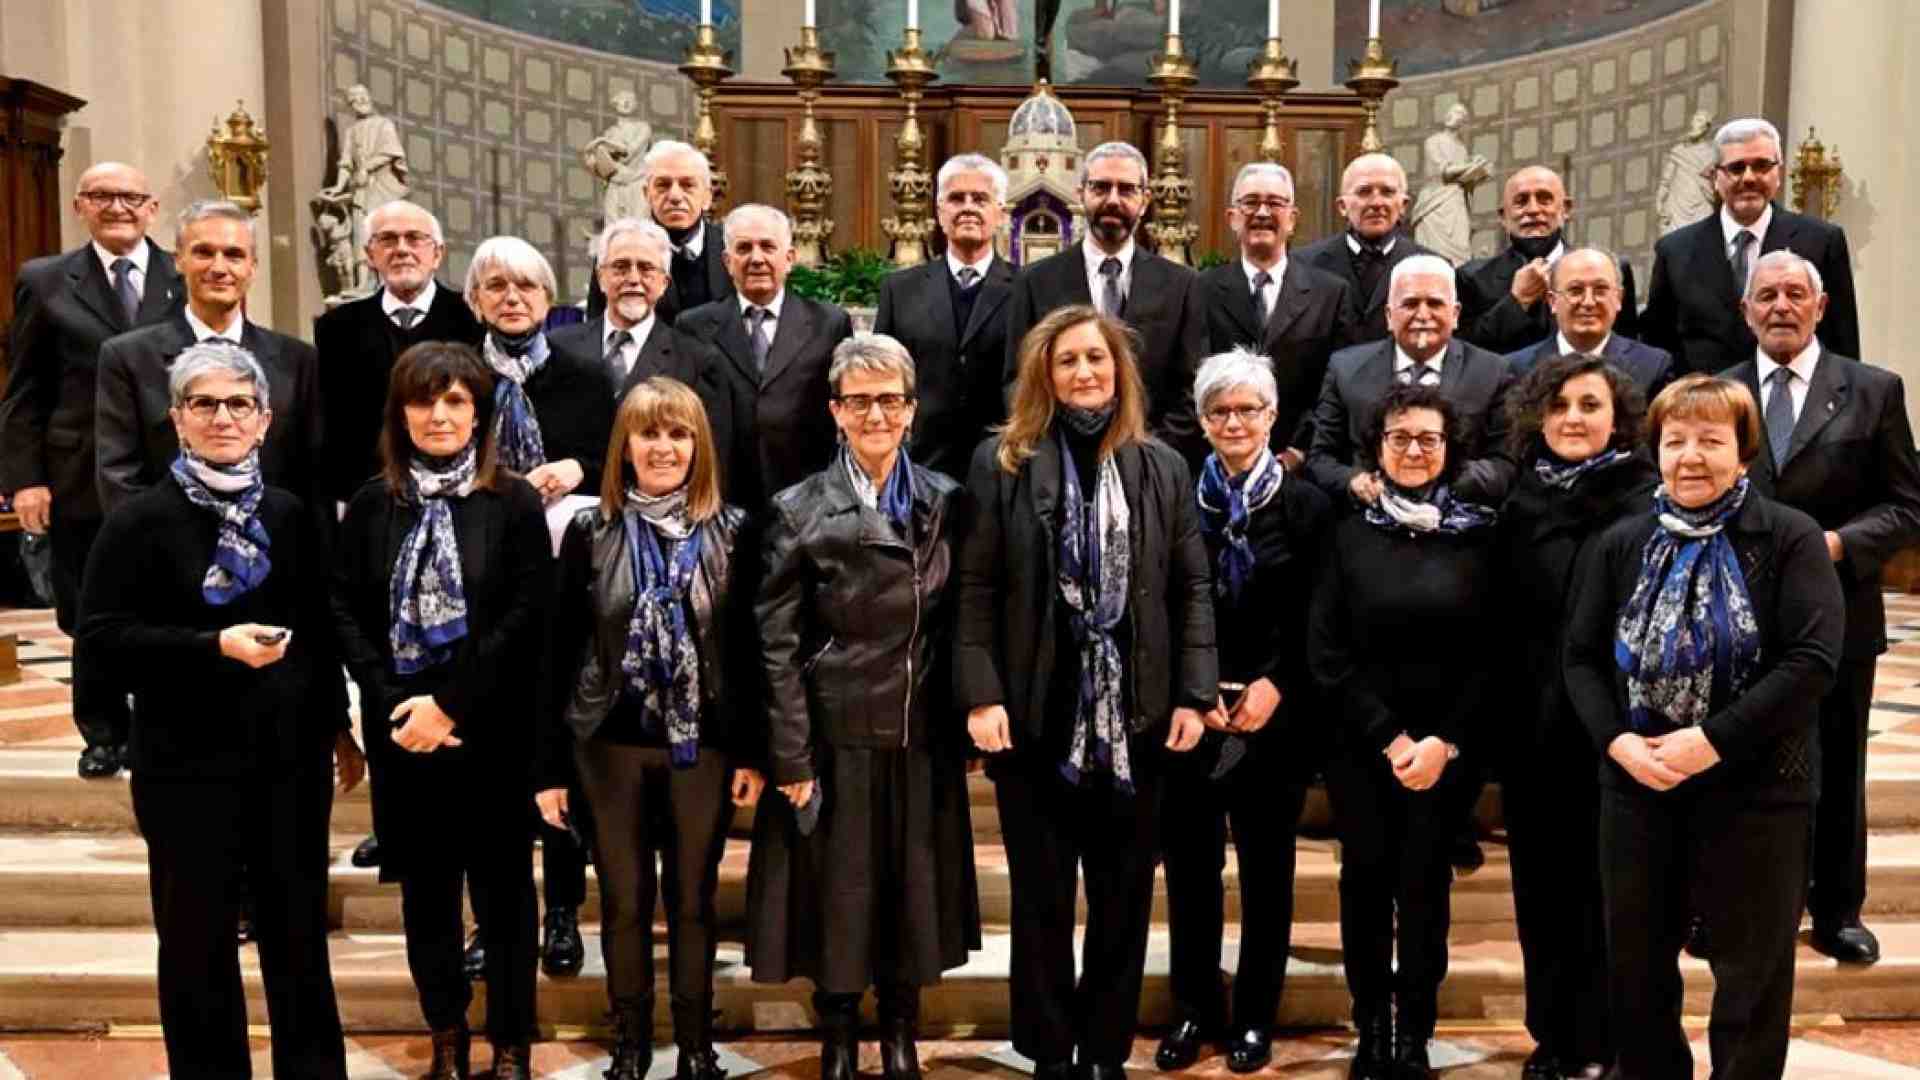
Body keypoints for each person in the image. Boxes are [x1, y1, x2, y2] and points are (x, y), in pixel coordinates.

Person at [80, 341, 355, 1079]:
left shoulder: (292, 514)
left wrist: (338, 725)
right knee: (197, 944)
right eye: (204, 403)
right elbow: (103, 642)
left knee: (297, 939)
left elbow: (322, 626)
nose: (223, 416)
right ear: (177, 419)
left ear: (265, 420)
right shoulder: (139, 520)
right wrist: (213, 646)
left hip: (287, 761)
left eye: (239, 403)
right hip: (184, 763)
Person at [955, 306, 1214, 1079]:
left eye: (1096, 359)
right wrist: (981, 693)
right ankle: (1048, 1050)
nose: (1084, 373)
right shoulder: (1001, 461)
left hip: (1136, 715)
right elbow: (974, 586)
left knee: (1123, 895)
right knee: (1040, 899)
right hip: (1036, 715)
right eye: (1067, 361)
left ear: (1119, 370)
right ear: (1044, 373)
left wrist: (1195, 695)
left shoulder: (1161, 465)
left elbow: (1192, 586)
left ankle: (1103, 1049)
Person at [1563, 375, 1844, 1079]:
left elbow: (1811, 661)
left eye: (1712, 441)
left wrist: (1711, 742)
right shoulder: (1619, 542)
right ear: (1654, 450)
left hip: (1757, 788)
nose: (1692, 456)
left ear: (1743, 455)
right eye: (1676, 440)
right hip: (1637, 783)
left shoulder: (1789, 537)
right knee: (1637, 968)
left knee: (1751, 975)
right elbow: (1580, 658)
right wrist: (1618, 741)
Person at [749, 333, 981, 1080]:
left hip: (919, 730)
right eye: (859, 401)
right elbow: (777, 644)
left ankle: (901, 1029)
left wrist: (971, 712)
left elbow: (966, 620)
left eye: (890, 399)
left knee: (911, 888)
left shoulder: (948, 502)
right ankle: (841, 1030)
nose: (875, 413)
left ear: (911, 411)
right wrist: (788, 752)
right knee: (839, 893)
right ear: (835, 412)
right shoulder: (797, 509)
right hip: (833, 728)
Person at [330, 342, 551, 1079]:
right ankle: (448, 1037)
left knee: (507, 900)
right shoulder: (371, 504)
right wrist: (400, 706)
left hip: (490, 732)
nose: (440, 414)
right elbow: (347, 613)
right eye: (425, 401)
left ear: (480, 413)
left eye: (457, 401)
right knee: (426, 899)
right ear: (400, 413)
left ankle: (512, 1042)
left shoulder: (513, 502)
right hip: (405, 738)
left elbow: (526, 616)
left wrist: (450, 706)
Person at [539, 376, 765, 1080]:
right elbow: (557, 651)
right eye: (648, 433)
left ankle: (697, 1046)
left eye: (678, 433)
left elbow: (752, 653)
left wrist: (756, 752)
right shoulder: (590, 531)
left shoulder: (735, 529)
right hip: (608, 745)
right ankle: (630, 1043)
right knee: (627, 902)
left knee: (694, 903)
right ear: (624, 447)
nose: (662, 447)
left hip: (703, 746)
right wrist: (547, 769)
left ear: (700, 446)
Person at [1724, 251, 1920, 964]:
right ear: (1745, 310)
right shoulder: (1717, 391)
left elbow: (1906, 505)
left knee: (1836, 767)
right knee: (1739, 765)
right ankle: (1731, 905)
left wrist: (1836, 545)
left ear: (1820, 305)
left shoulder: (1872, 390)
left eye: (1794, 294)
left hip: (1837, 613)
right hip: (1735, 615)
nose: (1780, 305)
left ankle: (1838, 909)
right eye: (1765, 294)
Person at [1307, 383, 1499, 1080]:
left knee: (1425, 888)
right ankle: (1371, 1028)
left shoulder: (1479, 533)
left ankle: (1414, 1025)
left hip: (1442, 751)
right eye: (1400, 438)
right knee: (1364, 883)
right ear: (1377, 449)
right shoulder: (1346, 530)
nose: (1414, 450)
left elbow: (1491, 652)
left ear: (1449, 450)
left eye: (1428, 438)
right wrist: (1389, 738)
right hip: (1362, 745)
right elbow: (1325, 649)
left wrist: (1442, 742)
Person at [1155, 348, 1330, 1075]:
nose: (1235, 422)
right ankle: (1195, 1006)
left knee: (1268, 871)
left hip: (1273, 713)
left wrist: (1276, 684)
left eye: (1249, 409)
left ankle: (1255, 1013)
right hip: (1191, 716)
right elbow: (1157, 607)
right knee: (1192, 871)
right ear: (1200, 421)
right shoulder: (1171, 498)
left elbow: (1322, 612)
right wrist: (1192, 693)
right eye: (1220, 410)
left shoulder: (1306, 502)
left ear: (1272, 416)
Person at [1495, 355, 1658, 1080]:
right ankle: (1552, 1032)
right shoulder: (1520, 500)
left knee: (1606, 893)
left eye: (1589, 405)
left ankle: (1605, 1036)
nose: (1571, 418)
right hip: (1534, 733)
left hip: (1614, 734)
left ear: (1617, 419)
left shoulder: (1644, 503)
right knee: (1541, 890)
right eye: (1557, 405)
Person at [462, 233, 613, 977]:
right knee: (489, 773)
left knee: (559, 757)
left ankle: (560, 911)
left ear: (550, 299)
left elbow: (617, 465)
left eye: (526, 286)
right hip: (480, 594)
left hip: (565, 598)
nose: (513, 298)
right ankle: (495, 919)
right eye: (497, 286)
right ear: (475, 300)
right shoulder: (455, 379)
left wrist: (577, 465)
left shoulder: (587, 377)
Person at [0, 160, 182, 778]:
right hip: (77, 474)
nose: (118, 207)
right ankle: (103, 733)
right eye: (102, 196)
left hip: (166, 471)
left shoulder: (182, 273)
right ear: (80, 206)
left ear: (152, 207)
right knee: (88, 610)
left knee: (166, 606)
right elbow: (24, 388)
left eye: (131, 196)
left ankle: (163, 725)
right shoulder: (46, 280)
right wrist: (24, 479)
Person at [96, 200, 325, 526]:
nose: (219, 267)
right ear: (179, 261)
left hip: (274, 552)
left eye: (234, 255)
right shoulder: (127, 357)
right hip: (166, 551)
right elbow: (119, 475)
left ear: (253, 267)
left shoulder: (298, 360)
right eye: (204, 252)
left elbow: (311, 476)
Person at [1001, 142, 1208, 465]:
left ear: (1145, 200)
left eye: (1126, 189)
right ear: (1081, 192)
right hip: (1056, 462)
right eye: (1101, 187)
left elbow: (1191, 388)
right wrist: (1054, 449)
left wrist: (1145, 454)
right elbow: (1018, 380)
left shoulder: (1182, 285)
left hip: (1151, 463)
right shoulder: (1034, 281)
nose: (1113, 199)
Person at [1640, 117, 1861, 376]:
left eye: (1761, 166)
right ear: (1714, 177)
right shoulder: (1675, 251)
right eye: (1736, 168)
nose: (1748, 178)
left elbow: (1842, 344)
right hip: (1706, 407)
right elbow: (1658, 350)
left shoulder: (1821, 241)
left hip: (1792, 406)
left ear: (1778, 173)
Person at [676, 204, 854, 510]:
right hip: (721, 498)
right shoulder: (693, 327)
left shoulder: (829, 324)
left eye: (768, 247)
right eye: (744, 248)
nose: (756, 258)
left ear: (789, 259)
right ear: (727, 261)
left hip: (806, 498)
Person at [1307, 254, 1517, 510]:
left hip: (1461, 531)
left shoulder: (1493, 372)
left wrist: (1437, 478)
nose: (1422, 314)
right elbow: (1320, 457)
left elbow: (1505, 463)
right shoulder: (1346, 369)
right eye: (1410, 304)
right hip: (1366, 524)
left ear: (1455, 314)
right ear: (1388, 315)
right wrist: (1355, 481)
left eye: (1435, 303)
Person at [315, 200, 482, 510]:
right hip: (365, 499)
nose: (401, 249)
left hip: (458, 497)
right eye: (388, 239)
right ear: (370, 255)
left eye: (415, 238)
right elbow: (329, 421)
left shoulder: (472, 320)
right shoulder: (336, 328)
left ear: (437, 254)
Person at [554, 217, 739, 499]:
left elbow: (711, 460)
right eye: (620, 267)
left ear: (664, 282)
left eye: (646, 268)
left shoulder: (698, 360)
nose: (633, 278)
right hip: (573, 512)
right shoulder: (559, 347)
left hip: (664, 519)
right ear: (601, 277)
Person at [1199, 163, 1359, 469]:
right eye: (1250, 203)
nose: (1262, 213)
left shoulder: (1331, 293)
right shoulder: (1201, 289)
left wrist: (1300, 450)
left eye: (1274, 203)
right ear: (1232, 217)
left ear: (1292, 218)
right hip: (1219, 460)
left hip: (1301, 467)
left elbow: (1335, 387)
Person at [872, 153, 1017, 480]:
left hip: (1002, 466)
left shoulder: (1028, 288)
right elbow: (883, 378)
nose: (968, 207)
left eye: (980, 199)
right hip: (918, 466)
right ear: (939, 212)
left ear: (1000, 213)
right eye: (956, 198)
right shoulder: (900, 290)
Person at [1456, 167, 1641, 355]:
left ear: (1566, 209)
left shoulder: (1611, 270)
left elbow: (1628, 351)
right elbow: (1463, 356)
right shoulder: (1473, 278)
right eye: (1521, 202)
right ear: (1503, 217)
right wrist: (1516, 302)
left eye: (1545, 199)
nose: (1533, 210)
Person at [1293, 153, 1430, 344]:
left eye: (1387, 192)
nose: (1376, 203)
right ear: (1342, 206)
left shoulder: (1432, 266)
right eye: (1364, 192)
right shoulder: (1303, 266)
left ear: (1403, 205)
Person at [1504, 247, 1672, 395]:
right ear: (1552, 302)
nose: (1589, 302)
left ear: (1619, 298)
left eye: (1600, 290)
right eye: (1575, 290)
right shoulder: (1515, 369)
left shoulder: (1653, 366)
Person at [1408, 103, 1489, 268]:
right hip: (1435, 200)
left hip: (1456, 199)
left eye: (1459, 113)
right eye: (1451, 112)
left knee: (1461, 247)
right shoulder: (1433, 141)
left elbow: (1464, 179)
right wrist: (1471, 166)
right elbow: (1444, 171)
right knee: (1432, 254)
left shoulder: (1461, 148)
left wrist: (1478, 171)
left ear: (1463, 121)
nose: (1453, 115)